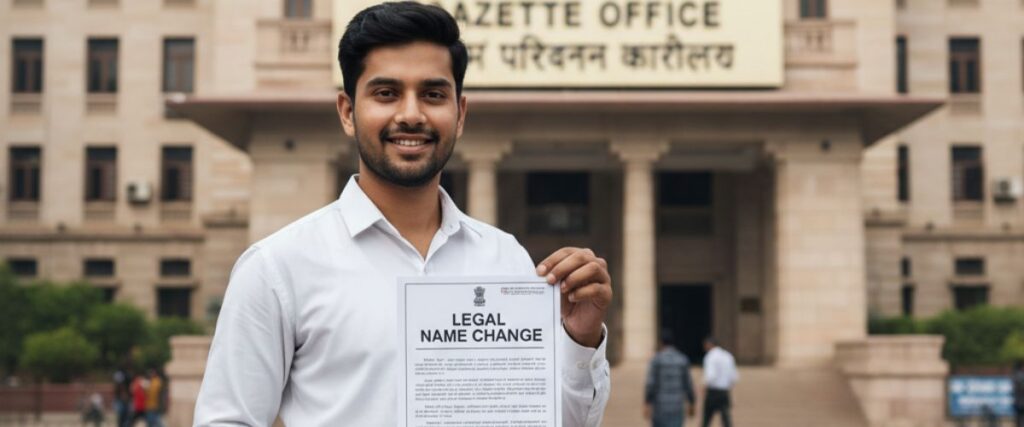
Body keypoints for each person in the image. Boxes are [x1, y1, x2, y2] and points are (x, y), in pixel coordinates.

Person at [193, 2, 613, 426]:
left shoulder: (505, 259)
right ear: (347, 111)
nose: (411, 115)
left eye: (432, 94)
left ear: (460, 113)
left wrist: (580, 338)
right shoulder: (277, 268)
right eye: (386, 93)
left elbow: (554, 420)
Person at [645, 329, 696, 427]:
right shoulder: (682, 359)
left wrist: (647, 402)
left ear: (661, 343)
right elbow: (688, 384)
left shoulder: (656, 360)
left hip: (660, 406)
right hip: (677, 406)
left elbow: (651, 384)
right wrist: (692, 402)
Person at [701, 337, 738, 427]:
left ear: (709, 344)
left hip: (713, 392)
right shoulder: (728, 356)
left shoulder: (710, 356)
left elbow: (710, 375)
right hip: (724, 392)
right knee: (726, 419)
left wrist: (704, 387)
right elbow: (734, 377)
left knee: (706, 419)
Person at [1013, 360, 1024, 427]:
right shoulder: (1020, 376)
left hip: (1018, 401)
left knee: (1019, 419)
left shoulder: (1015, 375)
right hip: (1021, 401)